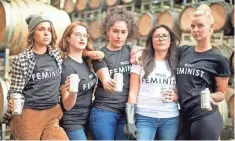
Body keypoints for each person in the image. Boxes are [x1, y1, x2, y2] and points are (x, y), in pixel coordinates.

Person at [7, 14, 68, 140]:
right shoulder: (22, 59)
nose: (46, 33)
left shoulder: (56, 54)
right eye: (41, 29)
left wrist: (91, 53)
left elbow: (75, 50)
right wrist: (13, 99)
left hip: (52, 113)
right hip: (30, 114)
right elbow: (14, 91)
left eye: (49, 30)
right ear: (32, 34)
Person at [176, 4, 231, 140]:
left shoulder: (218, 59)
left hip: (205, 118)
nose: (195, 30)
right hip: (185, 118)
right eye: (193, 26)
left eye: (200, 26)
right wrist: (139, 51)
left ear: (211, 28)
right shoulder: (184, 51)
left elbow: (222, 93)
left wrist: (212, 97)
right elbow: (161, 51)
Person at [88, 7, 138, 140]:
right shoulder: (101, 54)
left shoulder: (129, 51)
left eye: (123, 32)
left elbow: (142, 52)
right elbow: (103, 75)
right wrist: (106, 80)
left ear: (128, 33)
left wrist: (140, 52)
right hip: (104, 111)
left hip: (125, 112)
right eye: (115, 31)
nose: (119, 36)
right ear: (108, 31)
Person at [125, 25, 180, 140]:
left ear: (170, 41)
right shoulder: (140, 60)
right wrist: (130, 120)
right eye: (157, 36)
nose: (161, 39)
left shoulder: (178, 63)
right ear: (151, 41)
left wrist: (176, 96)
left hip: (170, 118)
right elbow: (133, 92)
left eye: (165, 36)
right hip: (145, 116)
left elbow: (183, 88)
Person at [59, 22, 98, 140]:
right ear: (68, 38)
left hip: (89, 117)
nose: (82, 38)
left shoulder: (87, 61)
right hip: (73, 122)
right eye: (77, 34)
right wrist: (73, 92)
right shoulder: (67, 67)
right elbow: (67, 105)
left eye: (85, 35)